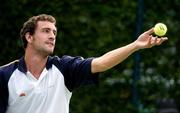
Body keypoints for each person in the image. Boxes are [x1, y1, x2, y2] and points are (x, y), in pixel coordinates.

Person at [0, 14, 168, 113]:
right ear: (29, 37)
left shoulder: (64, 68)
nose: (52, 36)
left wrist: (135, 45)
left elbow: (101, 63)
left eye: (54, 32)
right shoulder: (5, 75)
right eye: (46, 31)